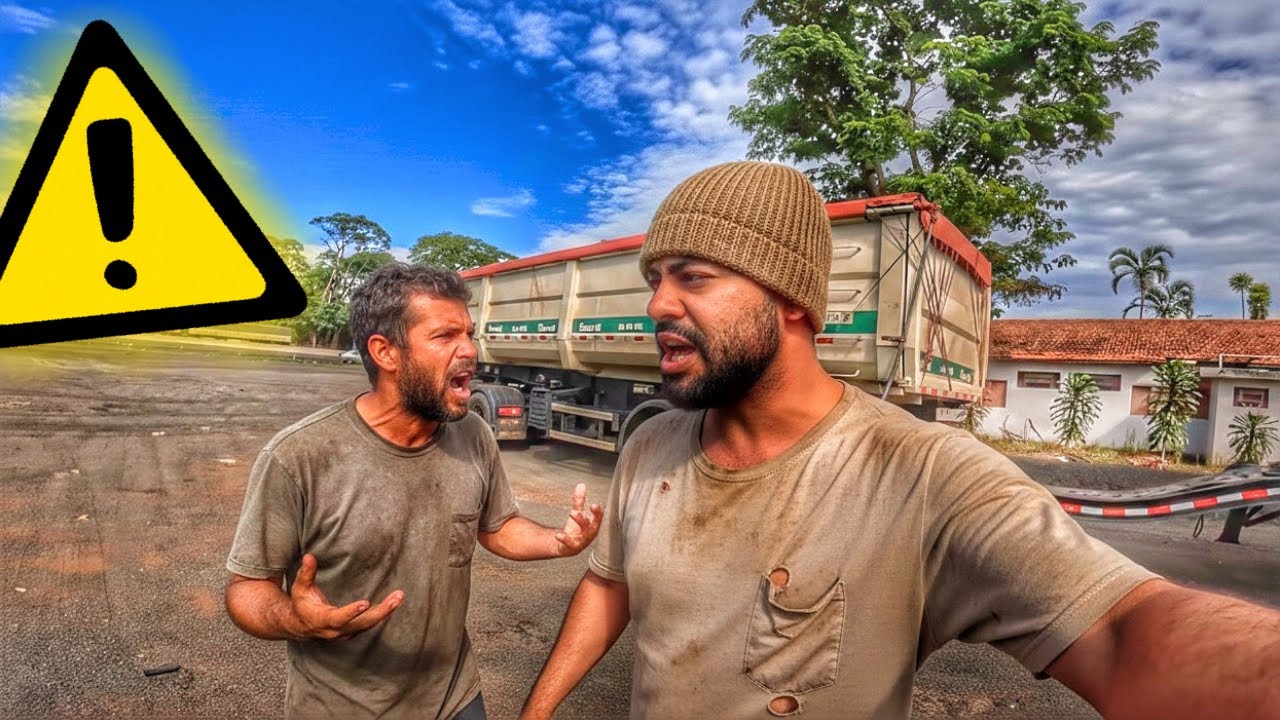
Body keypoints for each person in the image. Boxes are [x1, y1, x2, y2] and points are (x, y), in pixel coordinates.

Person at [520, 161, 1280, 719]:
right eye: (656, 277)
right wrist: (538, 711)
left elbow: (1120, 628)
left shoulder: (925, 475)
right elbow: (608, 582)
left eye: (691, 276)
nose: (656, 303)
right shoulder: (653, 446)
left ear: (789, 299)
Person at [225, 263, 602, 720]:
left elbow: (497, 526)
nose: (469, 350)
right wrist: (295, 621)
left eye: (470, 333)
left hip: (455, 698)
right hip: (341, 708)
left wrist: (556, 542)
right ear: (386, 352)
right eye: (445, 336)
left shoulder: (474, 435)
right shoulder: (298, 457)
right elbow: (247, 589)